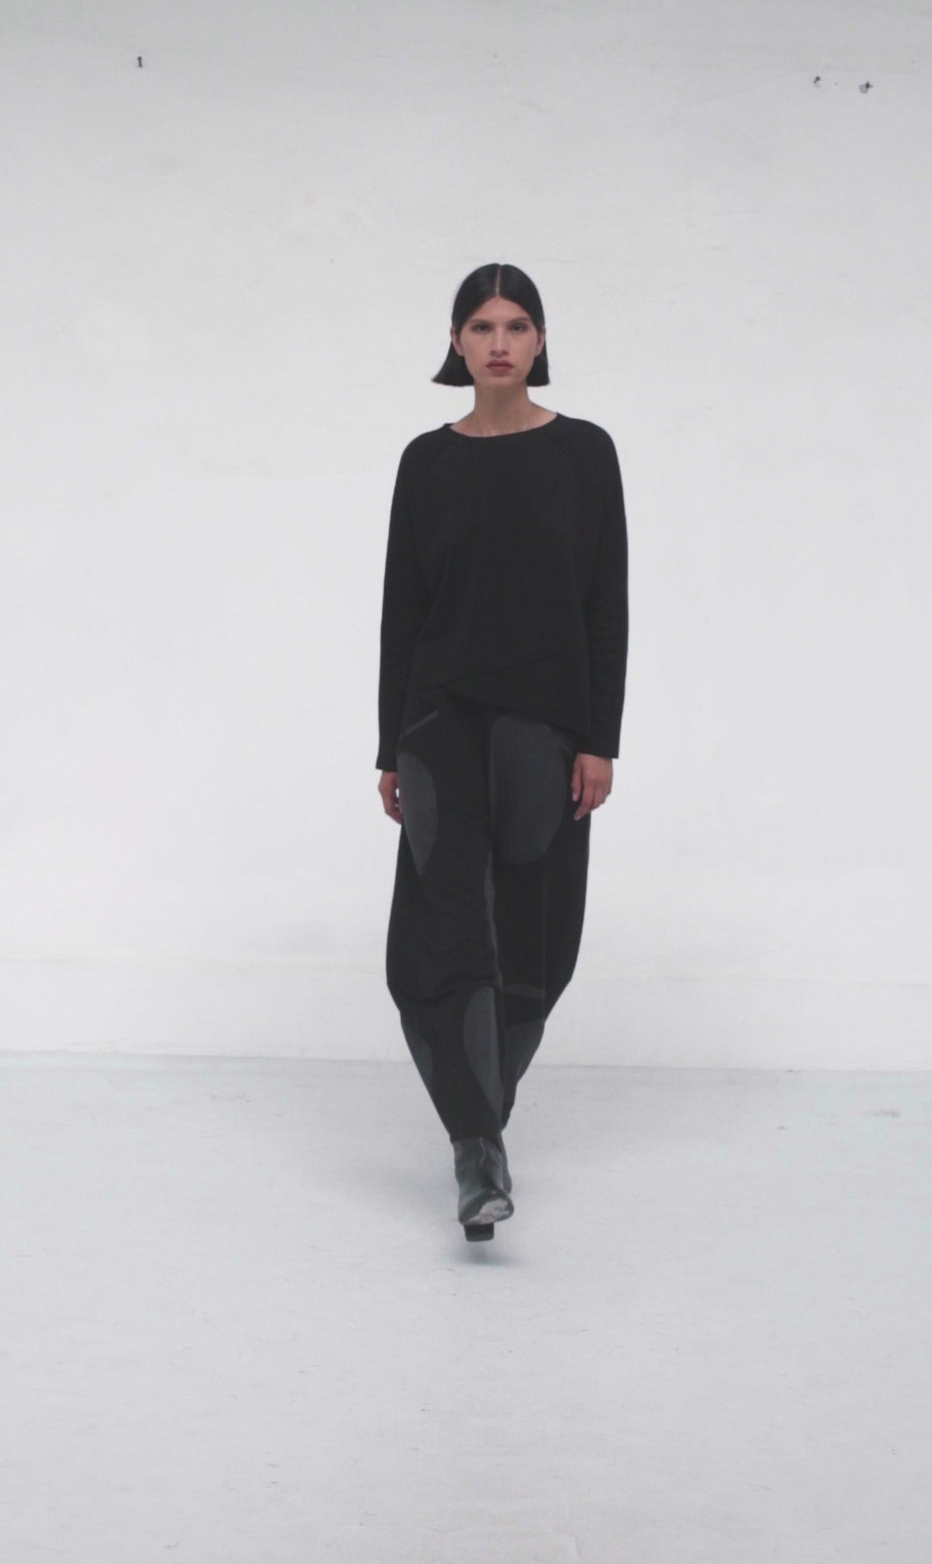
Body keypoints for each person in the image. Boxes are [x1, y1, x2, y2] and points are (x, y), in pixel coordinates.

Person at [376, 262, 628, 1241]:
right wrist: (387, 745)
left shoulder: (583, 453)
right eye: (479, 326)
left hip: (543, 726)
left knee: (531, 937)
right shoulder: (425, 461)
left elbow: (604, 604)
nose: (497, 342)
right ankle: (476, 1150)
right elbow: (402, 611)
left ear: (539, 341)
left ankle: (481, 1121)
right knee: (441, 938)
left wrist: (599, 741)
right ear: (454, 342)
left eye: (515, 325)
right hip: (437, 724)